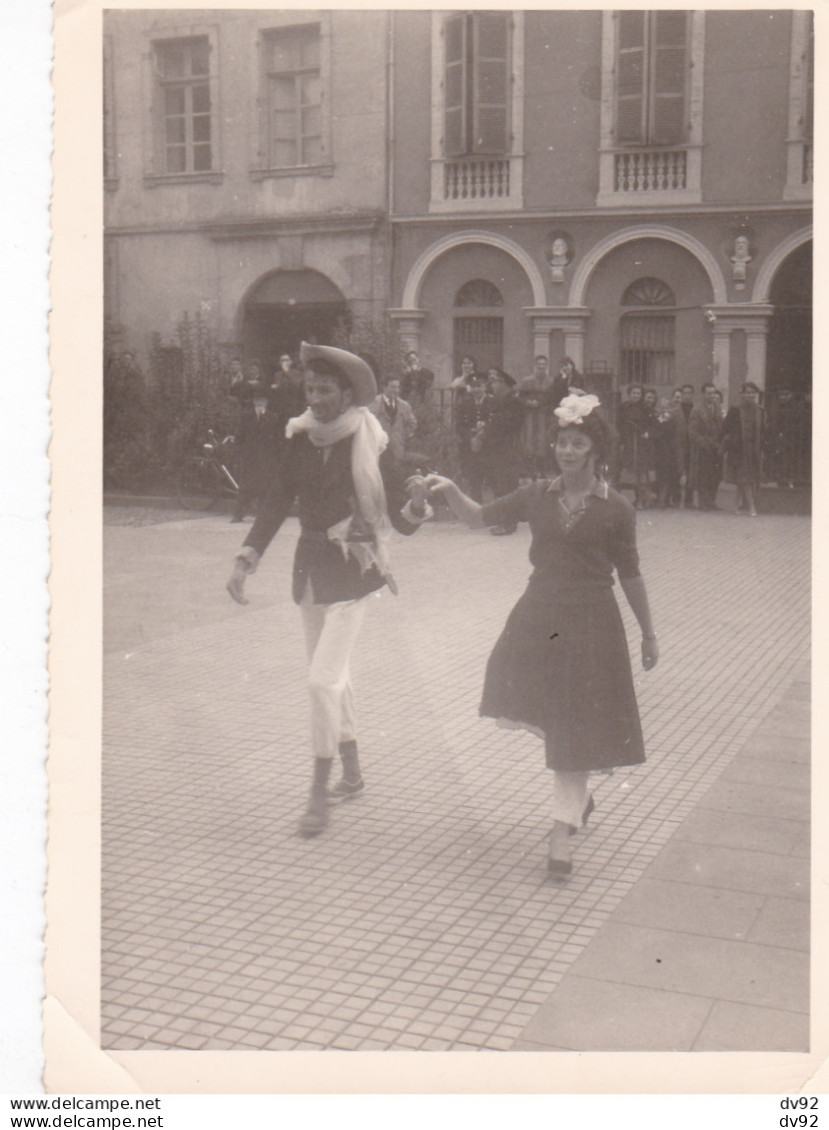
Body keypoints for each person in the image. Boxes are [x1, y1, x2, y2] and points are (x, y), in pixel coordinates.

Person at [423, 392, 658, 876]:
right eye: (562, 443)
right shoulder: (536, 496)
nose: (567, 452)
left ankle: (560, 832)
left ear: (595, 451)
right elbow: (477, 517)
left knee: (573, 723)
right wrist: (449, 488)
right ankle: (578, 799)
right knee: (556, 718)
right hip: (538, 620)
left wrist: (649, 634)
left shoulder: (618, 509)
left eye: (577, 444)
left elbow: (631, 575)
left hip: (593, 624)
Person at [226, 342, 431, 836]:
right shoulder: (301, 436)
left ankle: (319, 792)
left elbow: (399, 519)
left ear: (347, 393)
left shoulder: (370, 440)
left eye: (325, 390)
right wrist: (246, 557)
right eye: (310, 389)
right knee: (332, 676)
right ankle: (354, 772)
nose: (315, 398)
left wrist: (419, 504)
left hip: (354, 571)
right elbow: (278, 499)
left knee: (321, 681)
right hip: (311, 573)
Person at [230, 388, 284, 523]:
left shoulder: (273, 417)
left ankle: (262, 515)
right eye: (258, 401)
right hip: (250, 457)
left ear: (267, 402)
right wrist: (239, 454)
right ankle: (239, 514)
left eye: (263, 401)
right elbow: (239, 437)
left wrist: (278, 458)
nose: (260, 403)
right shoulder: (246, 417)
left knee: (265, 488)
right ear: (254, 402)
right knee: (246, 488)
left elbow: (278, 440)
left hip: (267, 458)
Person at [482, 367, 524, 534]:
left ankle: (508, 524)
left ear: (504, 384)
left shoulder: (514, 401)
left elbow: (509, 425)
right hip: (497, 449)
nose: (492, 386)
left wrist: (490, 427)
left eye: (495, 382)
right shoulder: (499, 401)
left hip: (508, 449)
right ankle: (503, 520)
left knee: (507, 485)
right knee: (499, 484)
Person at [722, 381, 763, 517]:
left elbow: (763, 430)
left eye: (752, 392)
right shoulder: (735, 410)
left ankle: (736, 505)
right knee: (745, 478)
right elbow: (726, 427)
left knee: (745, 478)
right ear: (742, 394)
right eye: (747, 392)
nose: (750, 395)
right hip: (739, 448)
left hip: (754, 449)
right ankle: (751, 506)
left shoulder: (760, 410)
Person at [455, 372, 493, 503]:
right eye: (474, 387)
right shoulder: (465, 403)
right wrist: (469, 437)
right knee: (474, 480)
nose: (477, 390)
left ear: (485, 386)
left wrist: (485, 429)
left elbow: (497, 423)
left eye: (479, 386)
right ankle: (477, 513)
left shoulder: (492, 402)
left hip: (488, 447)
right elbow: (459, 426)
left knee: (491, 480)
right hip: (470, 448)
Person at [618, 384, 656, 509]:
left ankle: (641, 499)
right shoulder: (623, 407)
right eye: (634, 393)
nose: (636, 395)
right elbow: (620, 423)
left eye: (638, 393)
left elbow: (652, 424)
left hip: (642, 443)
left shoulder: (645, 409)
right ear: (629, 394)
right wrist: (622, 440)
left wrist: (647, 433)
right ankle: (635, 498)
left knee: (641, 472)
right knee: (631, 472)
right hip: (628, 441)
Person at [517, 355, 555, 479]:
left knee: (543, 441)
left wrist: (544, 405)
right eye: (539, 364)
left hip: (544, 415)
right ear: (535, 366)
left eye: (543, 364)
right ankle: (531, 470)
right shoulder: (527, 381)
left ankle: (543, 471)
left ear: (546, 366)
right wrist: (528, 402)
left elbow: (553, 399)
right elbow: (520, 397)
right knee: (530, 441)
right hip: (530, 415)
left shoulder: (551, 381)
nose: (541, 367)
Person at [689, 383, 724, 510]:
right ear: (703, 394)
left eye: (713, 393)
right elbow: (693, 432)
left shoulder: (718, 408)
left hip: (717, 448)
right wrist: (705, 444)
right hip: (704, 449)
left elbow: (721, 427)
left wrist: (721, 443)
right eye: (709, 393)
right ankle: (703, 502)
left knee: (715, 475)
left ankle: (711, 501)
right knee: (703, 475)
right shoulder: (697, 410)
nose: (711, 396)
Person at [369, 376, 417, 464]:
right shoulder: (374, 403)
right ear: (384, 387)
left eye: (397, 387)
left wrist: (401, 436)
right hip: (379, 449)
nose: (396, 390)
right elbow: (367, 423)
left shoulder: (404, 405)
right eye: (393, 387)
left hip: (397, 449)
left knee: (396, 472)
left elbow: (412, 424)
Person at [671, 383, 696, 507]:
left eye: (689, 393)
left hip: (692, 445)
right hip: (679, 444)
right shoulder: (675, 411)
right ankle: (676, 498)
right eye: (684, 393)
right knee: (678, 470)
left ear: (693, 395)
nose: (686, 396)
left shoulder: (696, 410)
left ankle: (689, 500)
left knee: (691, 470)